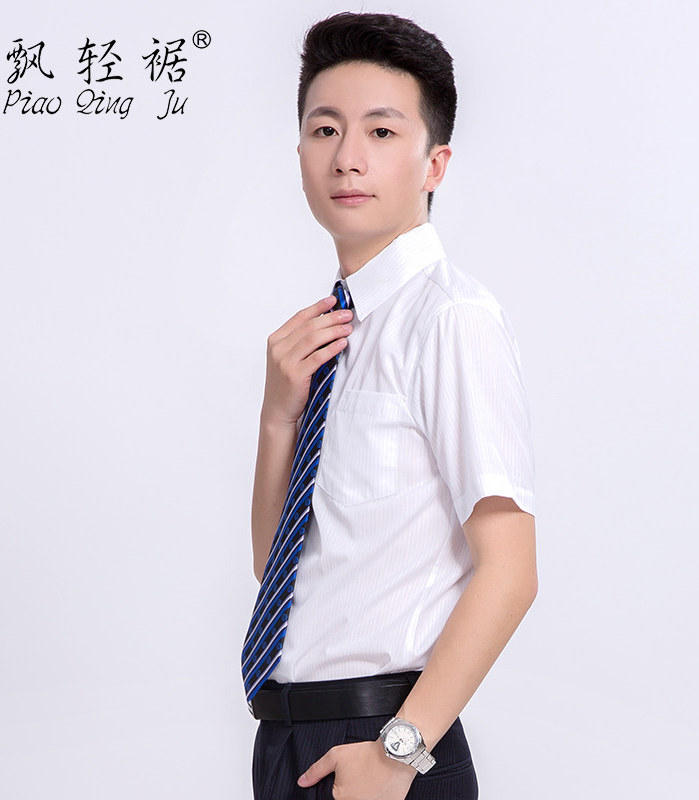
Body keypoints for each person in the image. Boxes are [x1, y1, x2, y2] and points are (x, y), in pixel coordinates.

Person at [243, 11, 538, 799]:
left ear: (434, 162)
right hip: (289, 739)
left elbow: (510, 569)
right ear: (299, 154)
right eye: (324, 129)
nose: (347, 157)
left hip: (383, 738)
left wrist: (399, 752)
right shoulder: (329, 336)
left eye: (380, 131)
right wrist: (278, 419)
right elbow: (281, 573)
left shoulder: (449, 319)